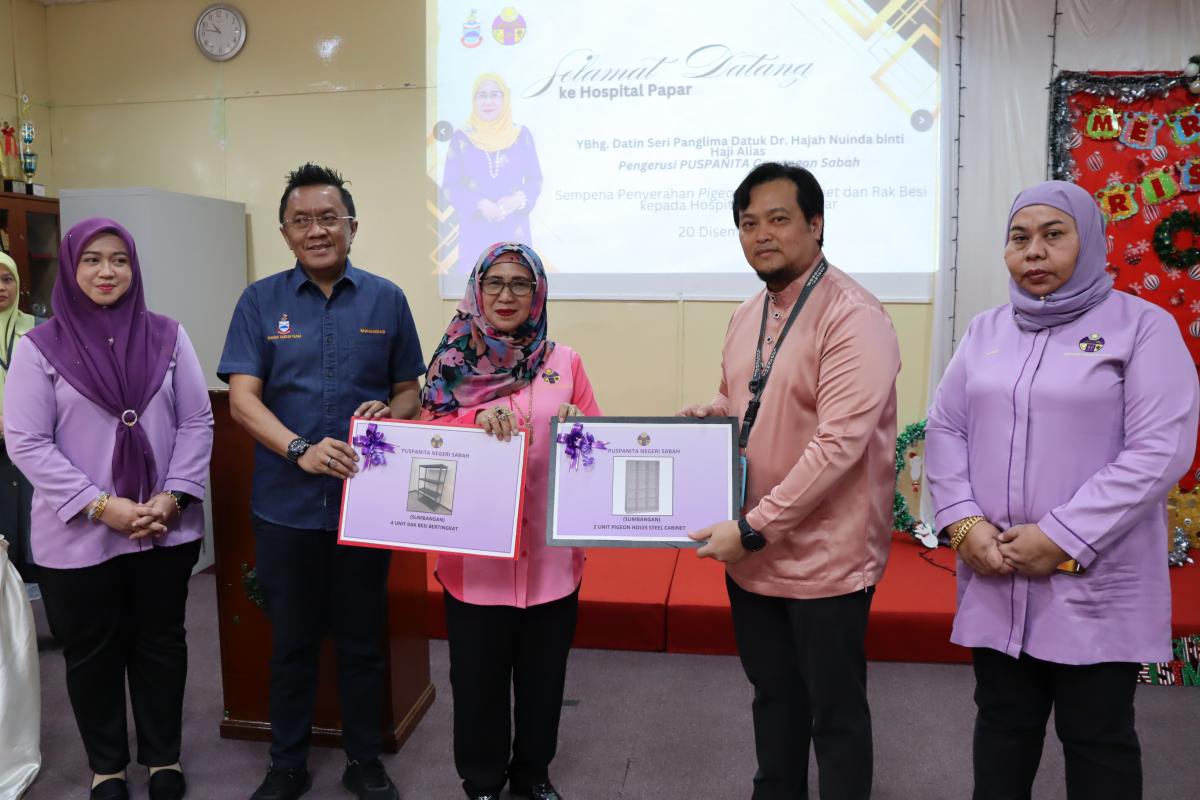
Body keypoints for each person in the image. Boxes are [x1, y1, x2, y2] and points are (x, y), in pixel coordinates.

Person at [925, 180, 1199, 800]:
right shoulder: (986, 331)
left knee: (1097, 737)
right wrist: (964, 522)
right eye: (1019, 238)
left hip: (1093, 580)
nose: (1034, 252)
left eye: (1054, 235)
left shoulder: (1142, 328)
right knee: (1002, 726)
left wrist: (1061, 536)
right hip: (997, 569)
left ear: (1091, 241)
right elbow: (945, 428)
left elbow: (1160, 450)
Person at [680, 162, 901, 799]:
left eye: (778, 219)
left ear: (816, 224)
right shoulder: (747, 312)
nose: (762, 235)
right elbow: (741, 398)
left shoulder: (854, 316)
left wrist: (753, 528)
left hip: (825, 559)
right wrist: (712, 417)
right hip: (754, 554)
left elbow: (839, 445)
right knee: (773, 698)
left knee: (835, 714)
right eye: (748, 223)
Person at [218, 163, 425, 800]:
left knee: (363, 643)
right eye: (302, 220)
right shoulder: (259, 302)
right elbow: (243, 401)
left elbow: (410, 391)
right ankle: (287, 764)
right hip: (287, 508)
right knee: (292, 644)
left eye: (328, 218)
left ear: (351, 227)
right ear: (284, 232)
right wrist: (299, 450)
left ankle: (365, 761)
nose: (316, 230)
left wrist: (393, 413)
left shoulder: (387, 299)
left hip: (365, 506)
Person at [4, 217, 214, 800]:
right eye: (92, 259)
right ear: (71, 268)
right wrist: (101, 506)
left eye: (119, 259)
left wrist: (172, 496)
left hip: (163, 524)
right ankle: (107, 766)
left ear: (134, 268)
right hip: (78, 535)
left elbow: (197, 420)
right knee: (91, 653)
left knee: (160, 643)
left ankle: (164, 757)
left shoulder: (169, 336)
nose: (107, 271)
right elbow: (26, 441)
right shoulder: (38, 348)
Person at [422, 242, 601, 800]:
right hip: (476, 562)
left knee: (544, 680)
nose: (506, 295)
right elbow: (427, 443)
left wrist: (580, 425)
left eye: (520, 283)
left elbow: (599, 445)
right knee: (477, 680)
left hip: (551, 561)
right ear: (477, 290)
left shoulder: (565, 361)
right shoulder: (451, 365)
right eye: (494, 282)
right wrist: (476, 417)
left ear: (538, 294)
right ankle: (481, 780)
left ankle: (532, 774)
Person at [442, 73, 543, 274]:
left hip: (514, 232)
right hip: (475, 233)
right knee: (479, 287)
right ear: (474, 100)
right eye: (482, 95)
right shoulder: (461, 137)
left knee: (518, 285)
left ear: (505, 98)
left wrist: (517, 200)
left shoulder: (521, 135)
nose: (488, 102)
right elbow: (450, 186)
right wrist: (480, 204)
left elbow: (535, 180)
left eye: (495, 94)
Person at [0, 252, 37, 582]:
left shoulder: (40, 330)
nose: (1, 287)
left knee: (35, 526)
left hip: (33, 444)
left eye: (7, 279)